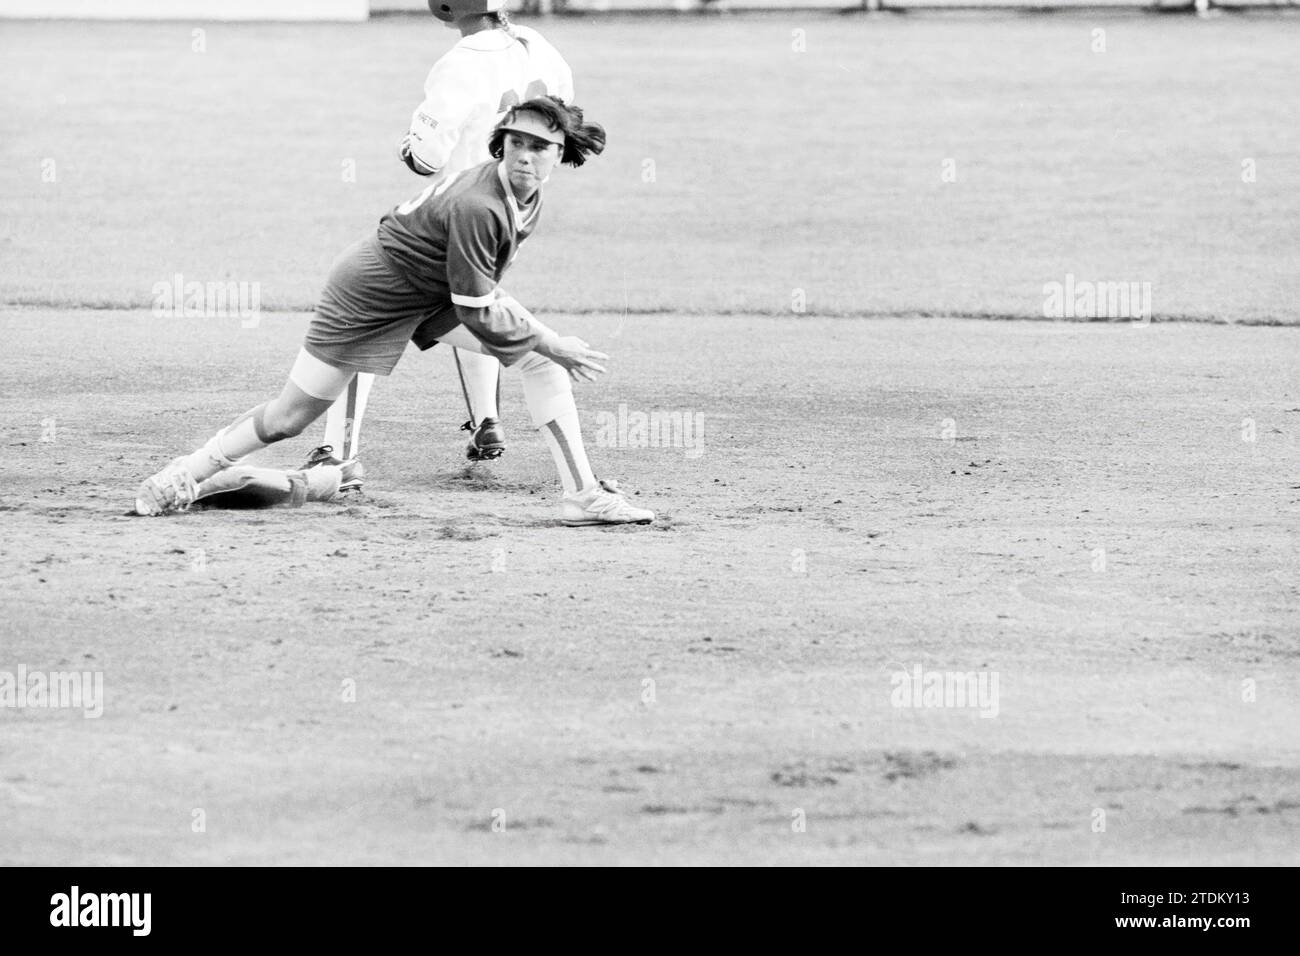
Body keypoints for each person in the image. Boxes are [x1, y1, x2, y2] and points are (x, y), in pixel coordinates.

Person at [135, 97, 654, 528]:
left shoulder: (526, 196)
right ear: (502, 143)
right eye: (516, 141)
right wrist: (548, 339)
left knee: (540, 359)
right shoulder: (481, 205)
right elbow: (476, 309)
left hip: (432, 293)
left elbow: (480, 292)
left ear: (562, 153)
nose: (524, 154)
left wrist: (542, 341)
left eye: (539, 146)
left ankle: (581, 495)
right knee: (289, 418)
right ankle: (186, 472)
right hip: (369, 293)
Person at [306, 0, 575, 486]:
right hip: (512, 215)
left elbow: (427, 159)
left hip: (456, 216)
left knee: (372, 309)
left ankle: (337, 452)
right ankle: (488, 421)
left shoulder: (461, 62)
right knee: (475, 302)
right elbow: (564, 122)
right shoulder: (541, 47)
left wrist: (408, 145)